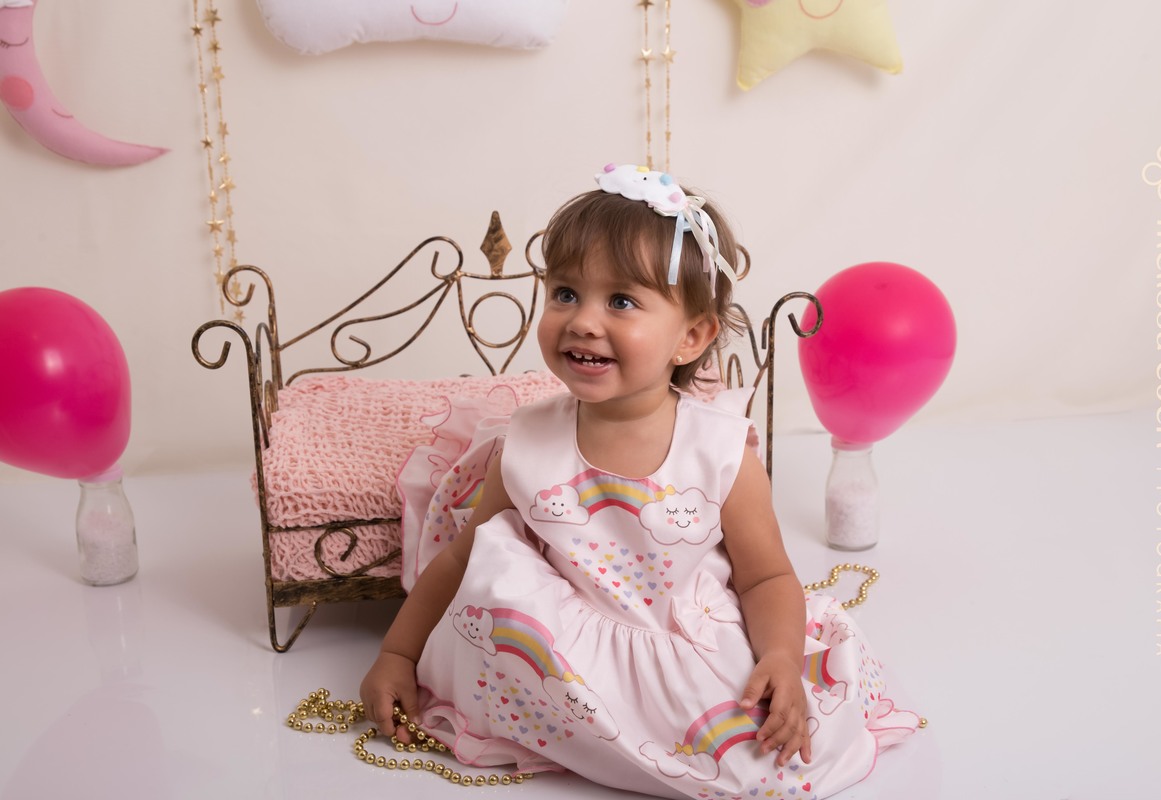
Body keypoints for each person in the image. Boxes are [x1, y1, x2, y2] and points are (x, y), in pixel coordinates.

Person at [360, 163, 919, 799]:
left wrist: (782, 657)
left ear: (692, 336)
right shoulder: (527, 442)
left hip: (679, 640)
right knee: (498, 578)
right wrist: (397, 655)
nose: (582, 320)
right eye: (565, 293)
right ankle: (572, 724)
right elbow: (463, 559)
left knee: (761, 754)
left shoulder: (718, 451)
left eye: (621, 302)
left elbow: (765, 577)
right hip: (564, 651)